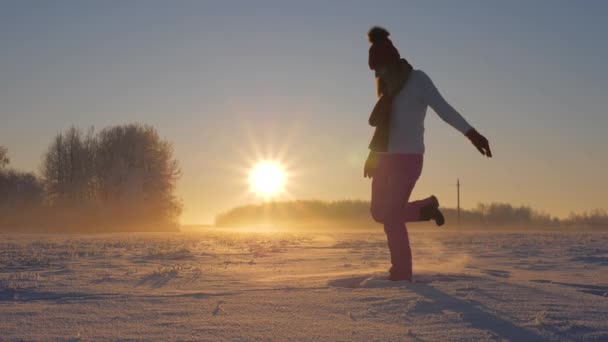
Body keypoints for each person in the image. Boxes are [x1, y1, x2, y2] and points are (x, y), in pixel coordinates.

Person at [363, 27, 492, 281]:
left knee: (391, 218)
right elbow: (381, 129)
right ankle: (426, 208)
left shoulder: (418, 80)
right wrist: (372, 156)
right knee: (379, 212)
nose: (377, 74)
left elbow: (444, 110)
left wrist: (471, 133)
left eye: (379, 68)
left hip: (408, 159)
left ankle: (401, 274)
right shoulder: (388, 92)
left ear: (390, 62)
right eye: (374, 70)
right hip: (384, 159)